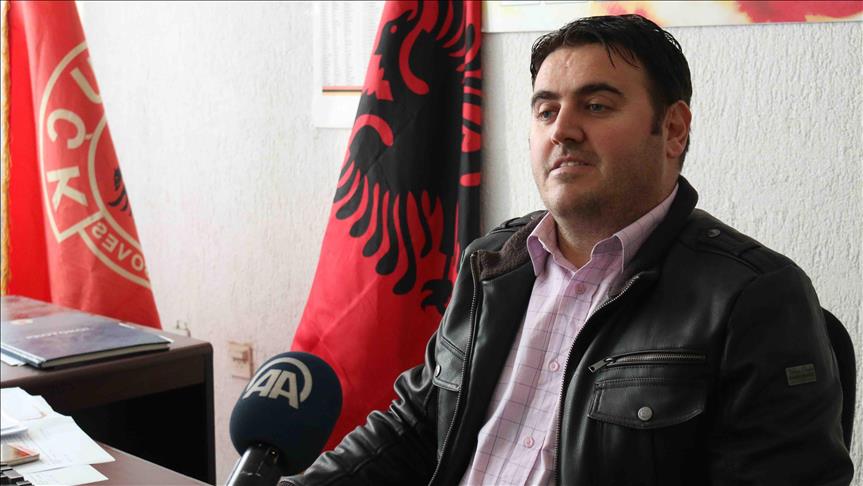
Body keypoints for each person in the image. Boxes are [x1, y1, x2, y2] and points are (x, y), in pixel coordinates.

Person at [283, 14, 852, 485]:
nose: (562, 130)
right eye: (546, 110)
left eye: (596, 106)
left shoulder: (754, 298)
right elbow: (414, 427)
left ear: (674, 129)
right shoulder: (493, 263)